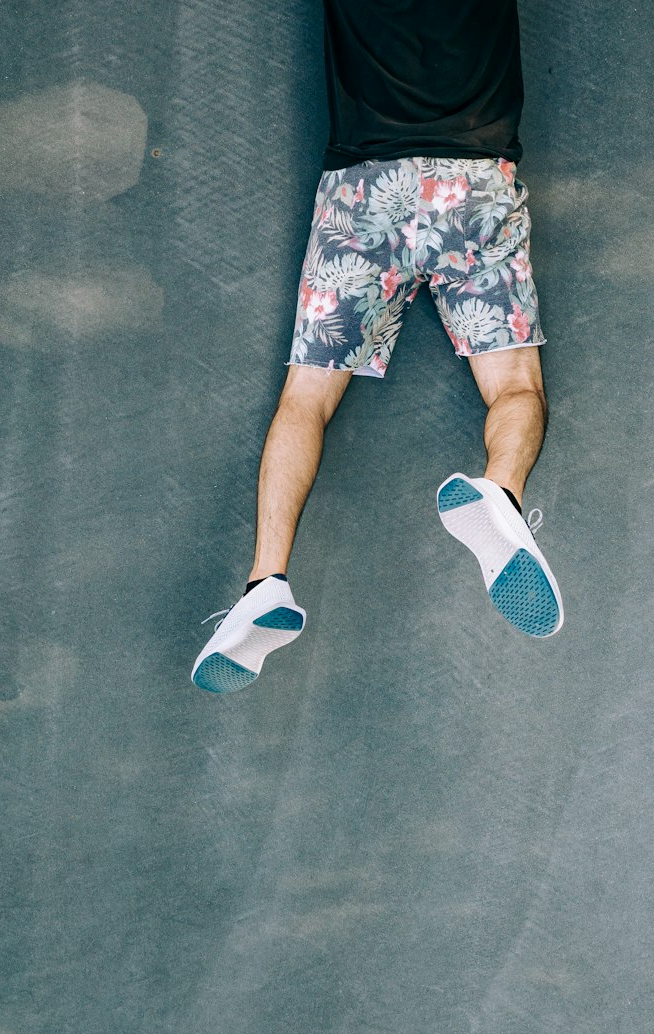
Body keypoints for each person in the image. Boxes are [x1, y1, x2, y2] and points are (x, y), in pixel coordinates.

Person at [192, 0, 564, 694]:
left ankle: (265, 581)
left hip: (363, 190)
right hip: (475, 183)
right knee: (516, 387)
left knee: (306, 398)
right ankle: (501, 498)